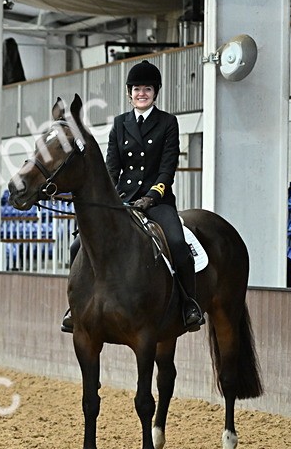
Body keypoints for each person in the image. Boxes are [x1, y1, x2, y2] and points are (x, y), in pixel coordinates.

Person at [62, 59, 204, 334]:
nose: (142, 93)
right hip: (123, 200)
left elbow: (167, 167)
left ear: (155, 92)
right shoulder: (120, 123)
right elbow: (112, 167)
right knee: (77, 246)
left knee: (177, 243)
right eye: (137, 89)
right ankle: (76, 306)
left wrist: (152, 196)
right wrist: (109, 199)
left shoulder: (167, 123)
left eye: (147, 89)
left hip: (156, 201)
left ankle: (189, 305)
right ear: (129, 93)